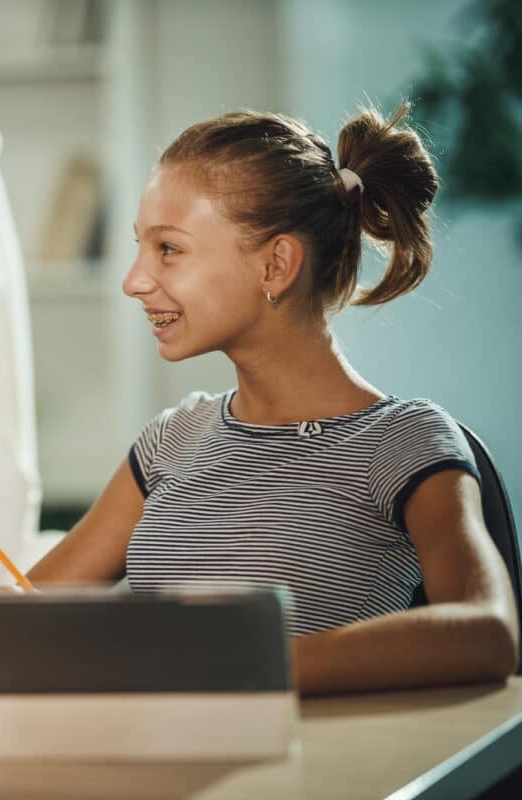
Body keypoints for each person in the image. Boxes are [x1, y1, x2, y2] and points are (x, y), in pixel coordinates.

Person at [27, 103, 519, 694]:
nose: (134, 280)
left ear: (277, 264)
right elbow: (22, 616)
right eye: (141, 247)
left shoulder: (403, 441)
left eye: (169, 249)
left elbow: (486, 632)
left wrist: (238, 668)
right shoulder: (172, 439)